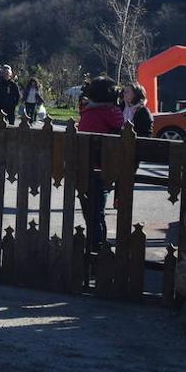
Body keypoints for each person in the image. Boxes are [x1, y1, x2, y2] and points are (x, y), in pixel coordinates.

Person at [77, 77, 124, 249]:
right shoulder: (112, 112)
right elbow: (124, 134)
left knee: (91, 214)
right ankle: (98, 250)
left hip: (84, 168)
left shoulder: (88, 111)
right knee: (97, 214)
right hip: (103, 169)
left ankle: (95, 248)